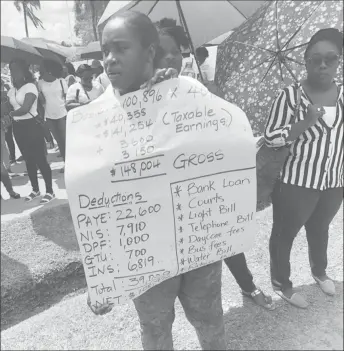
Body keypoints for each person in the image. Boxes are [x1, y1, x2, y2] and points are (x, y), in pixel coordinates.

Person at [88, 11, 227, 350]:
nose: (109, 59)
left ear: (149, 52)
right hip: (144, 251)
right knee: (154, 329)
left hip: (198, 242)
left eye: (121, 48)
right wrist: (100, 277)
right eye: (105, 50)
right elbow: (91, 202)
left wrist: (204, 102)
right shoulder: (94, 120)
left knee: (209, 319)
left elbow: (224, 158)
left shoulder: (189, 94)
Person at [154, 17, 274, 311]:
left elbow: (223, 131)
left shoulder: (199, 88)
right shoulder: (139, 95)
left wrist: (217, 101)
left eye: (176, 52)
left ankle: (247, 286)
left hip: (206, 183)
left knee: (225, 238)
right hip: (167, 193)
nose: (170, 59)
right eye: (160, 52)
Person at [264, 28, 343, 309]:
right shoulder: (289, 96)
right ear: (306, 61)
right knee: (285, 233)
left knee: (321, 228)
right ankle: (282, 284)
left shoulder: (343, 94)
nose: (323, 65)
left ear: (338, 61)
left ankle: (319, 271)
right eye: (315, 59)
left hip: (334, 181)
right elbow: (271, 137)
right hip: (296, 181)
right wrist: (304, 122)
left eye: (330, 59)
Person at [7, 58, 55, 204]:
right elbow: (10, 109)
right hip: (18, 128)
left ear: (24, 71)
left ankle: (50, 191)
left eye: (16, 69)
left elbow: (25, 109)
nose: (14, 73)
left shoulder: (30, 87)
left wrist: (10, 114)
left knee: (40, 159)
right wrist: (9, 114)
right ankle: (35, 189)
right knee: (28, 159)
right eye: (11, 70)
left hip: (32, 125)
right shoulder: (11, 91)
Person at [38, 59, 68, 172]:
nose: (40, 70)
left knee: (65, 140)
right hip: (49, 116)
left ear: (49, 70)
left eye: (42, 68)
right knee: (59, 141)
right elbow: (41, 101)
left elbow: (66, 98)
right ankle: (66, 163)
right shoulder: (40, 83)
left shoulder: (61, 81)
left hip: (62, 114)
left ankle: (70, 163)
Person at [1, 80, 20, 200]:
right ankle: (10, 190)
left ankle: (10, 190)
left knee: (2, 165)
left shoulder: (3, 95)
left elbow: (5, 112)